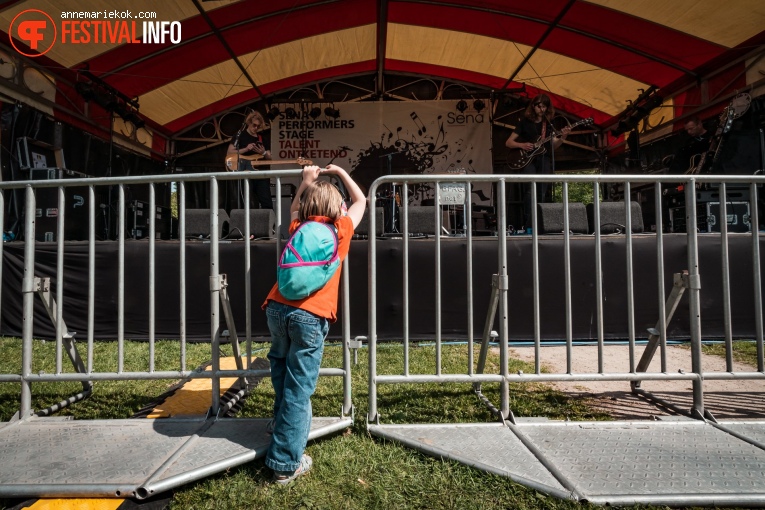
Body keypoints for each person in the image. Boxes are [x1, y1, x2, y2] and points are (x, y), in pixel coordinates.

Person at [261, 163, 366, 484]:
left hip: (277, 307)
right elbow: (362, 200)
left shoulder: (298, 225)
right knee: (299, 388)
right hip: (311, 314)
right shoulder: (341, 229)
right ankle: (284, 463)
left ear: (307, 206)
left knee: (280, 367)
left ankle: (281, 425)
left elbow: (293, 207)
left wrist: (306, 181)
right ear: (337, 207)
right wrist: (343, 172)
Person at [505, 94, 570, 231]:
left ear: (547, 108)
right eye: (538, 105)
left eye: (544, 106)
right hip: (528, 159)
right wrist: (522, 145)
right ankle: (529, 222)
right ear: (533, 106)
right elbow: (509, 142)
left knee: (542, 190)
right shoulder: (524, 122)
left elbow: (553, 145)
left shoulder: (548, 124)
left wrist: (563, 136)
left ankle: (541, 222)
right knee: (531, 190)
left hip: (543, 158)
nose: (541, 109)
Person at [227, 111, 273, 209]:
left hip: (260, 174)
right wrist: (246, 149)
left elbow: (270, 157)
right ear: (248, 123)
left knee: (267, 202)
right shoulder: (239, 136)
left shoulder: (262, 138)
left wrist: (264, 153)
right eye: (254, 125)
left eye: (258, 126)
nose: (256, 128)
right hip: (245, 173)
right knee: (247, 202)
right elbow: (229, 152)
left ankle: (269, 223)